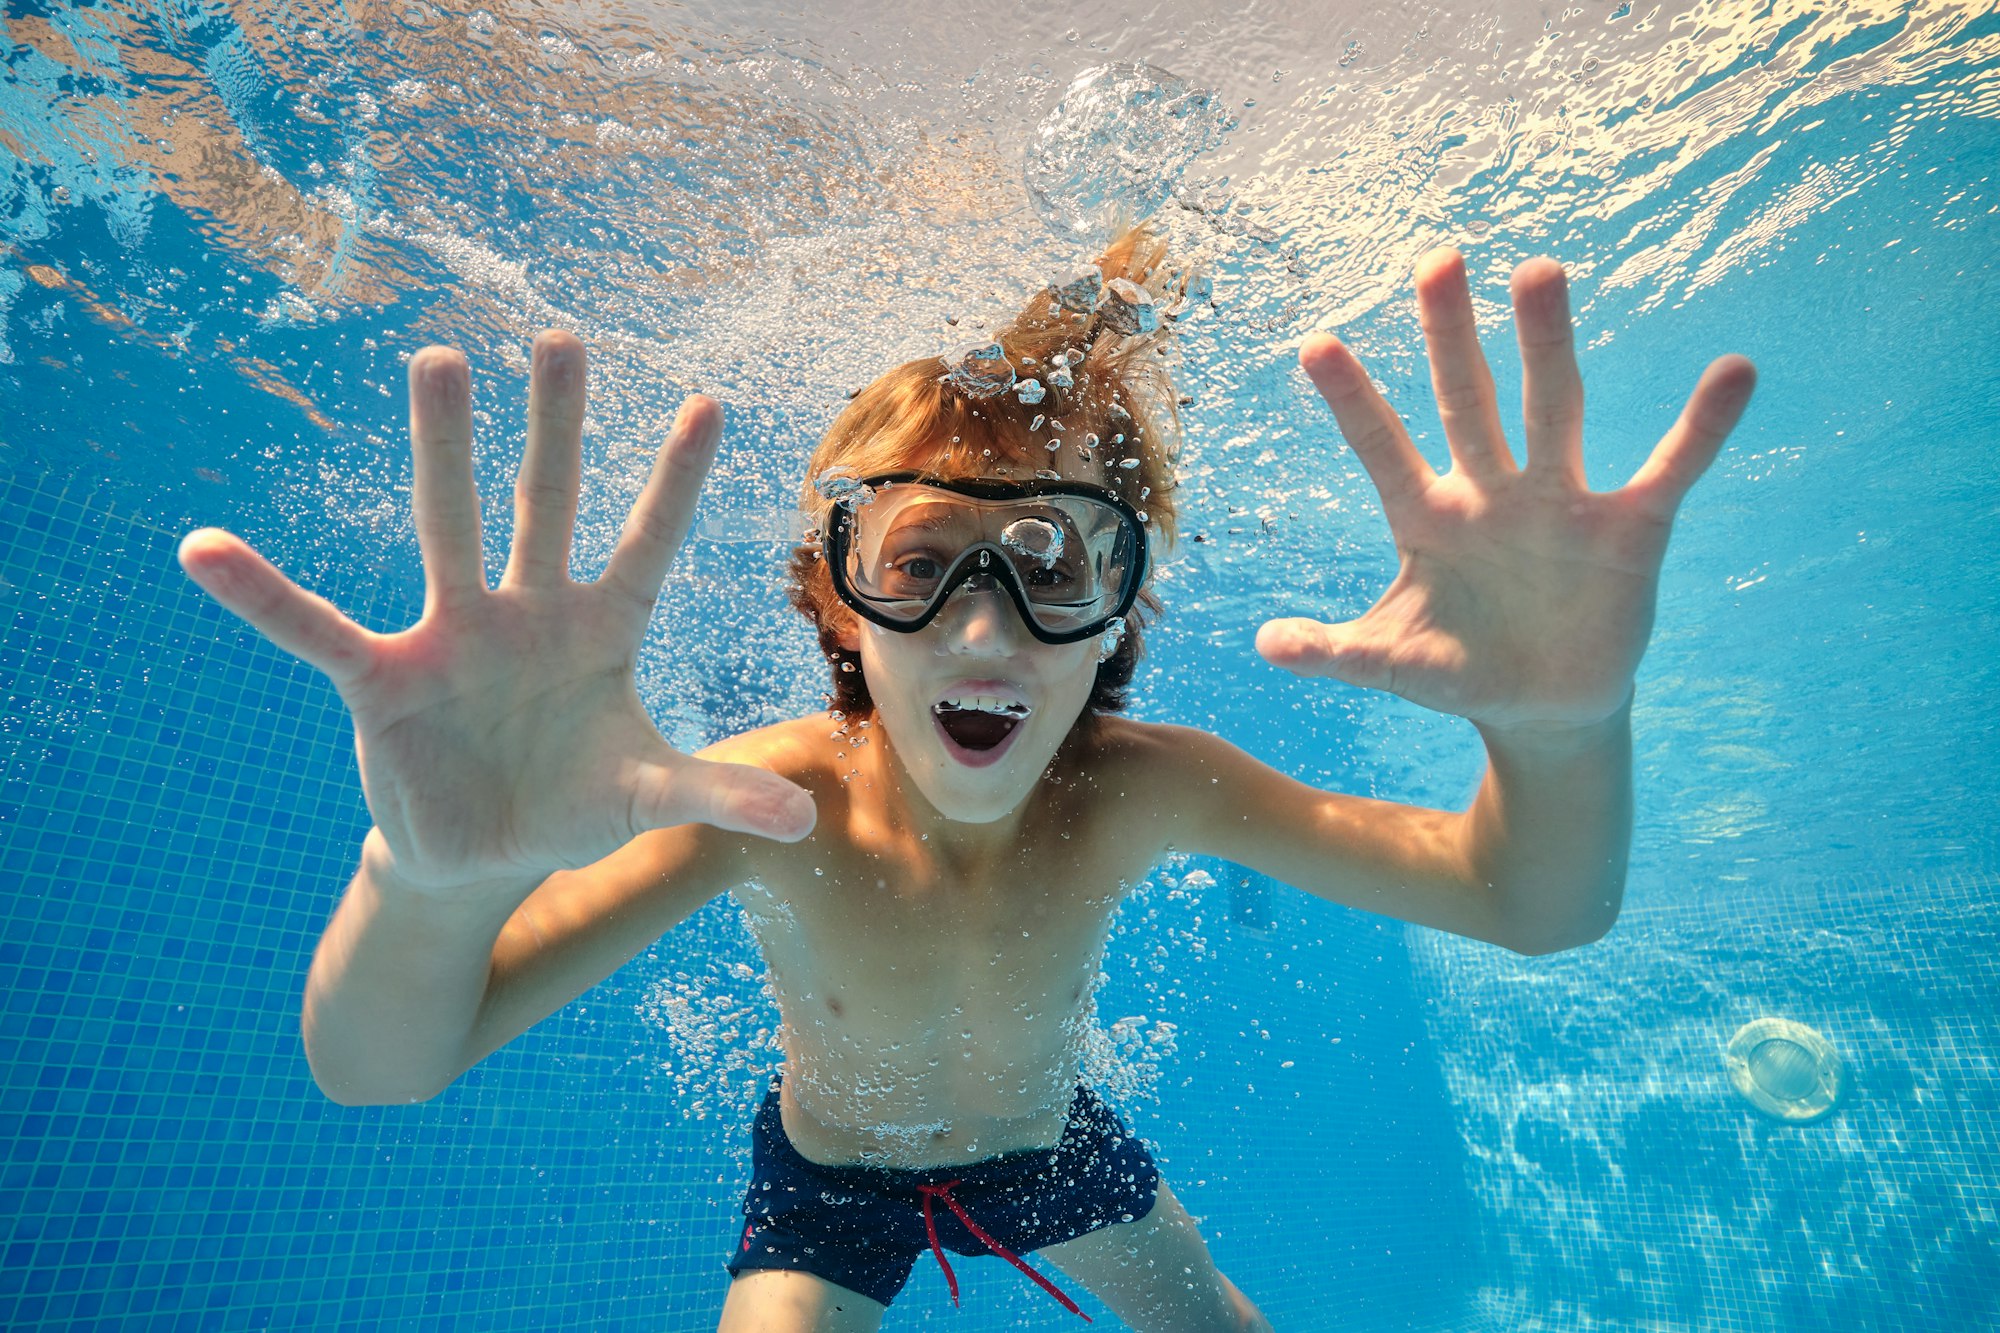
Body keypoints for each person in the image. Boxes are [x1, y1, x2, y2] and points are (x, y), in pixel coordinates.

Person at [175, 222, 1755, 1331]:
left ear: (1118, 616)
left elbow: (1526, 903)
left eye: (1049, 566)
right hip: (829, 1185)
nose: (985, 625)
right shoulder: (759, 802)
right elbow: (381, 1062)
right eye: (920, 562)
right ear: (836, 605)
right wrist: (427, 876)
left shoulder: (1143, 783)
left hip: (1054, 1142)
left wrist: (1556, 733)